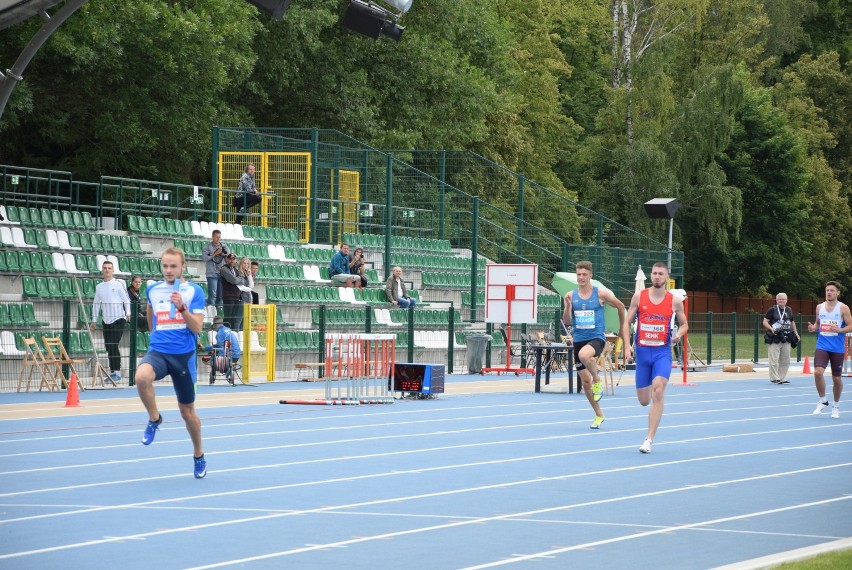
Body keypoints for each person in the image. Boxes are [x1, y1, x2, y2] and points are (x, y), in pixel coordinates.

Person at [134, 246, 207, 478]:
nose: (168, 270)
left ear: (182, 267)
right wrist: (154, 334)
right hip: (159, 351)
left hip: (183, 357)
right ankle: (154, 418)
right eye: (165, 265)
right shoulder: (153, 290)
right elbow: (149, 312)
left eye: (173, 266)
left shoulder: (194, 291)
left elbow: (197, 328)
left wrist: (182, 308)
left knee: (187, 412)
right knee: (141, 377)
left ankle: (198, 454)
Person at [624, 262, 687, 454]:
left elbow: (685, 324)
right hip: (643, 353)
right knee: (644, 400)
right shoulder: (639, 297)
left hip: (662, 353)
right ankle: (651, 386)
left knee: (658, 391)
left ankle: (648, 439)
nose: (657, 276)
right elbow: (627, 322)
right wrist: (627, 345)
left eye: (661, 274)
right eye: (654, 273)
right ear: (651, 276)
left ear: (666, 278)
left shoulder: (674, 301)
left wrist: (678, 334)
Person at [560, 261, 629, 430]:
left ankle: (597, 380)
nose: (581, 277)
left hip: (597, 338)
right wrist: (568, 306)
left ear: (591, 275)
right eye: (579, 275)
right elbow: (567, 321)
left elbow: (620, 306)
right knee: (584, 382)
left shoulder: (601, 294)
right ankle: (599, 414)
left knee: (585, 356)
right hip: (578, 339)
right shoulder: (570, 295)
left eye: (584, 274)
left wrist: (622, 328)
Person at [807, 281, 852, 419]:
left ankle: (836, 405)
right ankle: (823, 400)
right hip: (822, 345)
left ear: (838, 293)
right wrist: (813, 328)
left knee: (836, 378)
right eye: (827, 290)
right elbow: (817, 324)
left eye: (832, 290)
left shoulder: (843, 308)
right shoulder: (819, 307)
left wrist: (839, 329)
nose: (829, 292)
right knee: (817, 372)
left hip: (837, 348)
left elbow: (850, 326)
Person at [91, 260, 131, 384]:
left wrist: (128, 313)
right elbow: (96, 304)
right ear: (102, 270)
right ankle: (113, 372)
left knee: (113, 344)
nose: (107, 270)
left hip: (118, 319)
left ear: (113, 270)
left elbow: (126, 300)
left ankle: (117, 372)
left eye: (109, 268)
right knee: (109, 346)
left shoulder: (118, 284)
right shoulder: (99, 287)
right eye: (105, 268)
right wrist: (94, 320)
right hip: (106, 320)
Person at [762, 293, 799, 385]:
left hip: (787, 338)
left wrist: (796, 333)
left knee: (786, 360)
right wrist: (771, 328)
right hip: (774, 338)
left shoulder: (789, 310)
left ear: (786, 300)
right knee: (774, 359)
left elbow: (792, 322)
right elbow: (765, 321)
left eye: (784, 299)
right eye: (780, 299)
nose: (782, 301)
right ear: (776, 300)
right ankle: (774, 378)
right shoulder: (772, 310)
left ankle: (781, 377)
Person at [209, 316, 242, 385]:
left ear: (215, 324)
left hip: (229, 354)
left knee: (213, 356)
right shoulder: (228, 329)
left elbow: (221, 348)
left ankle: (223, 370)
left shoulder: (220, 333)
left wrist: (218, 358)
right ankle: (229, 371)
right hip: (237, 354)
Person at [202, 229, 229, 306]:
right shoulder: (207, 247)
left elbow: (229, 257)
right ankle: (211, 313)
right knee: (212, 295)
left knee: (220, 296)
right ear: (212, 237)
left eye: (219, 237)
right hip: (212, 273)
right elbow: (204, 258)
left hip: (222, 273)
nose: (218, 239)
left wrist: (224, 255)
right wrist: (214, 254)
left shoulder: (224, 246)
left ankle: (219, 314)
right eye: (216, 237)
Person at [219, 253, 246, 331]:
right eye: (230, 259)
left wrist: (238, 279)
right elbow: (233, 280)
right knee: (228, 317)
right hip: (228, 296)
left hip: (237, 296)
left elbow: (243, 281)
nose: (232, 260)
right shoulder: (224, 269)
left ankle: (232, 335)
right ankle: (226, 334)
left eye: (233, 259)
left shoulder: (236, 270)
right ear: (227, 259)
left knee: (234, 319)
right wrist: (239, 278)